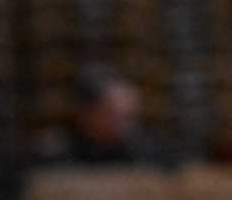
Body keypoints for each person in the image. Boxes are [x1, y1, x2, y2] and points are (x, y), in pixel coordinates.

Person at [37, 66, 173, 169]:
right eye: (117, 116)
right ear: (87, 114)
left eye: (131, 117)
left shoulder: (149, 152)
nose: (129, 126)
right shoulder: (54, 153)